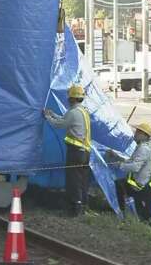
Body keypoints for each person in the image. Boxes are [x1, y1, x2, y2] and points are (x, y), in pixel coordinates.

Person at [44, 85, 91, 216]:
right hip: (85, 152)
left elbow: (59, 124)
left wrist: (47, 117)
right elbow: (65, 120)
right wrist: (52, 114)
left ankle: (74, 209)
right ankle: (83, 207)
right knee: (82, 181)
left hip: (76, 152)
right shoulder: (82, 111)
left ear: (71, 98)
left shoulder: (73, 112)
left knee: (73, 181)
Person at [109, 122, 151, 225]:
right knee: (120, 185)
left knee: (145, 214)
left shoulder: (143, 149)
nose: (135, 134)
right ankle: (123, 213)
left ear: (144, 135)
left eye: (138, 132)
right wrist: (117, 157)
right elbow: (132, 161)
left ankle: (147, 226)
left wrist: (119, 165)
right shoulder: (141, 147)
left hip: (143, 187)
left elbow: (135, 167)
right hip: (141, 185)